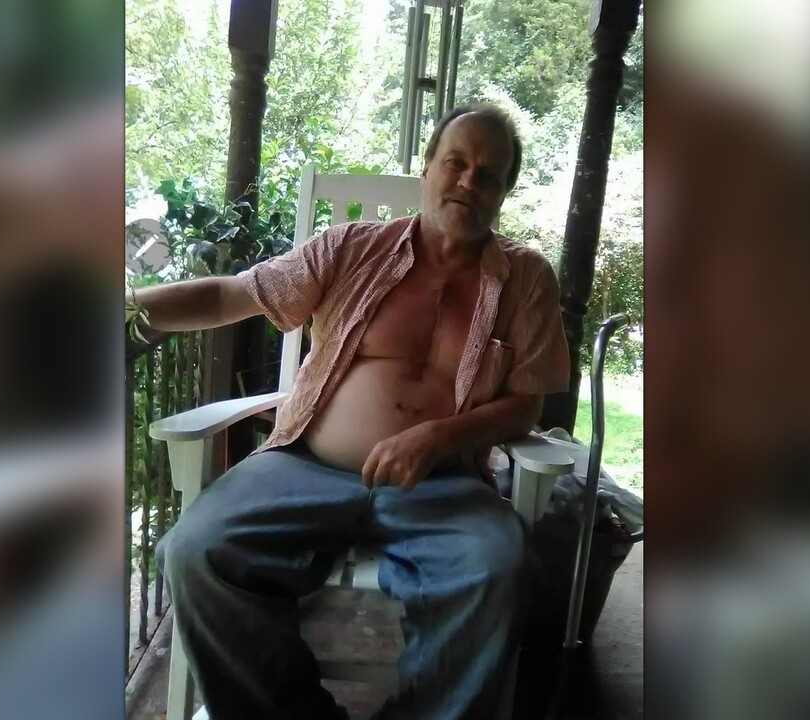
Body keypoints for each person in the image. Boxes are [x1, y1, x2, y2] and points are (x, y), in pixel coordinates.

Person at [135, 103, 569, 720]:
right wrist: (128, 304)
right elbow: (231, 294)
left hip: (440, 483)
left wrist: (436, 439)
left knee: (497, 568)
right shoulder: (350, 248)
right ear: (427, 167)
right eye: (456, 162)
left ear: (504, 191)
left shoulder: (526, 279)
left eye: (489, 174)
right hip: (305, 466)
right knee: (196, 553)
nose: (469, 181)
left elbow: (526, 404)